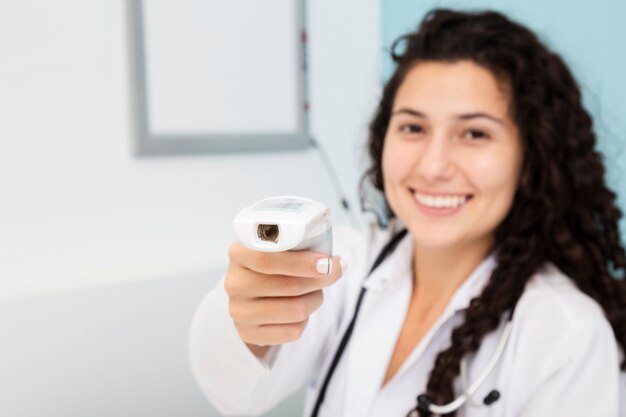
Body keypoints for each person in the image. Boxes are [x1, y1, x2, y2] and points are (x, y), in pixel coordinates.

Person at [189, 9, 626, 417]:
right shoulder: (347, 264)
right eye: (413, 128)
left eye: (474, 133)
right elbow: (230, 389)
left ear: (530, 161)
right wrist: (248, 318)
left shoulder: (566, 335)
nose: (433, 166)